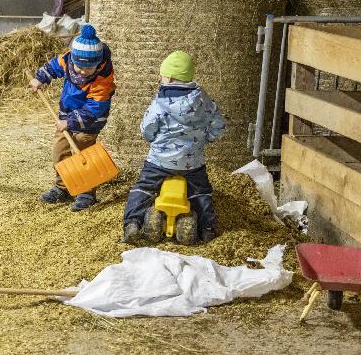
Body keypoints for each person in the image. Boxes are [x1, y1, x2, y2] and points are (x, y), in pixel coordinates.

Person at [121, 50, 226, 244]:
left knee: (143, 188)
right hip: (192, 162)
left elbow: (147, 127)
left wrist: (153, 140)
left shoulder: (160, 102)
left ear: (168, 77)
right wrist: (207, 139)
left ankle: (132, 223)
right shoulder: (203, 99)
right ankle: (207, 229)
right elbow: (219, 123)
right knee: (202, 192)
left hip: (159, 161)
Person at [28, 24, 115, 211]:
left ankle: (86, 192)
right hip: (66, 116)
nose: (83, 71)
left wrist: (70, 122)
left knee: (82, 151)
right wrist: (40, 78)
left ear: (98, 64)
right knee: (59, 151)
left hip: (89, 122)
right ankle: (63, 187)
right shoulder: (68, 60)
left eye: (89, 68)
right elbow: (53, 66)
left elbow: (94, 108)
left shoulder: (103, 80)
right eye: (80, 66)